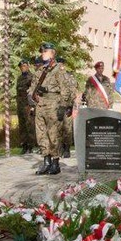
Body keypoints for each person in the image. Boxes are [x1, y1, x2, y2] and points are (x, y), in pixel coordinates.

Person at [30, 42, 73, 176]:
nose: (42, 53)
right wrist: (33, 95)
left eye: (45, 51)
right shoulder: (40, 70)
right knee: (41, 135)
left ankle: (55, 163)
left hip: (53, 105)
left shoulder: (58, 69)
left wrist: (62, 106)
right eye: (42, 52)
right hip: (40, 105)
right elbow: (32, 87)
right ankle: (46, 162)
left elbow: (65, 90)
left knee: (53, 135)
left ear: (52, 53)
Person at [16, 58, 36, 155]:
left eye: (24, 66)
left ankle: (30, 146)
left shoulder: (31, 77)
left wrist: (32, 105)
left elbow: (32, 93)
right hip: (20, 106)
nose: (22, 68)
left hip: (28, 106)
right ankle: (24, 145)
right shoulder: (19, 78)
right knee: (22, 126)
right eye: (21, 67)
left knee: (29, 126)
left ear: (27, 66)